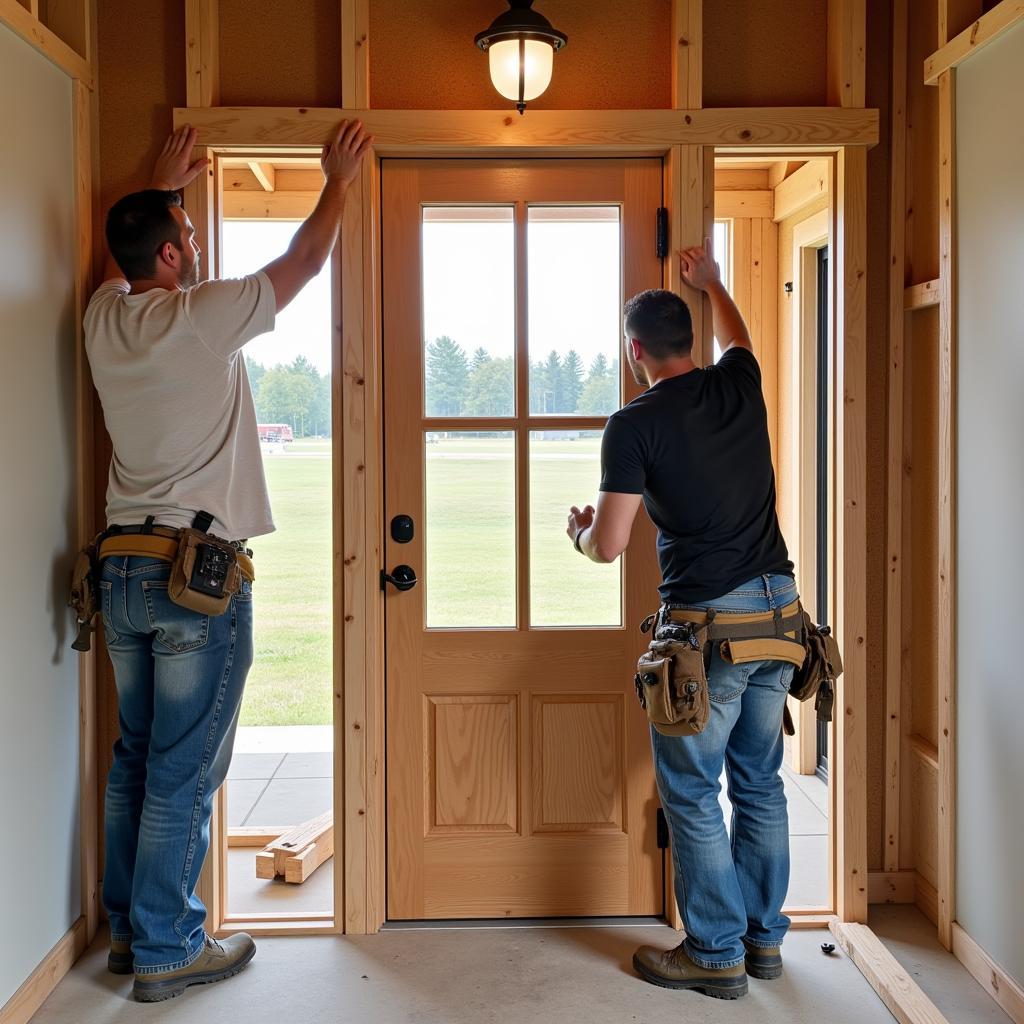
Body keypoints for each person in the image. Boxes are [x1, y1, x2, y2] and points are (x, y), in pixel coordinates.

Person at [85, 121, 371, 1003]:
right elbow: (304, 261)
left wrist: (158, 188)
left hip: (121, 571)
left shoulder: (102, 318)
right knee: (182, 767)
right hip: (190, 580)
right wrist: (337, 182)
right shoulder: (200, 318)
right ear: (171, 255)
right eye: (192, 241)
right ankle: (172, 949)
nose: (201, 253)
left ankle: (133, 935)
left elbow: (122, 255)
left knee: (138, 754)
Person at [566, 239, 797, 1001]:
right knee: (759, 782)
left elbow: (609, 544)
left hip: (709, 632)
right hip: (782, 614)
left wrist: (577, 531)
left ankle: (714, 952)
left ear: (636, 352)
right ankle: (763, 943)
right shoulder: (739, 383)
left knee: (693, 791)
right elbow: (741, 340)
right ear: (688, 341)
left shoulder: (633, 424)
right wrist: (717, 282)